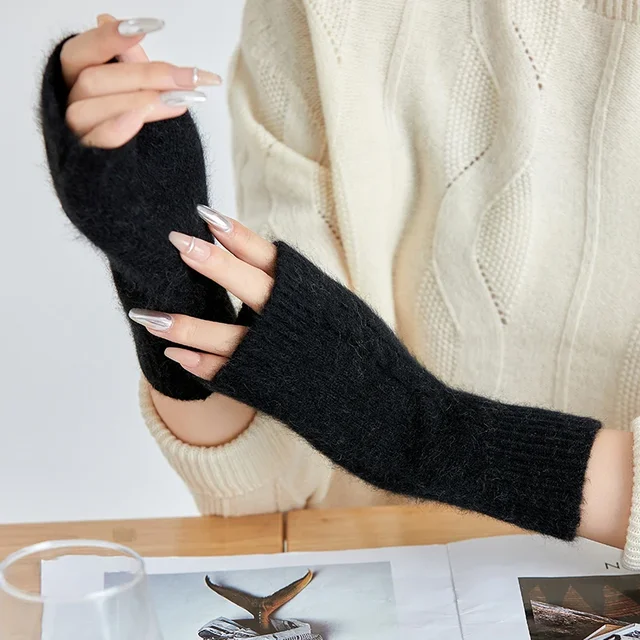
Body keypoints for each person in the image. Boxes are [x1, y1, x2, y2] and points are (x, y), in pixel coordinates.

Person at [40, 2, 640, 566]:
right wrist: (161, 268)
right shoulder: (317, 14)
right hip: (395, 580)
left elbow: (379, 416)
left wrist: (424, 433)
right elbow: (276, 494)